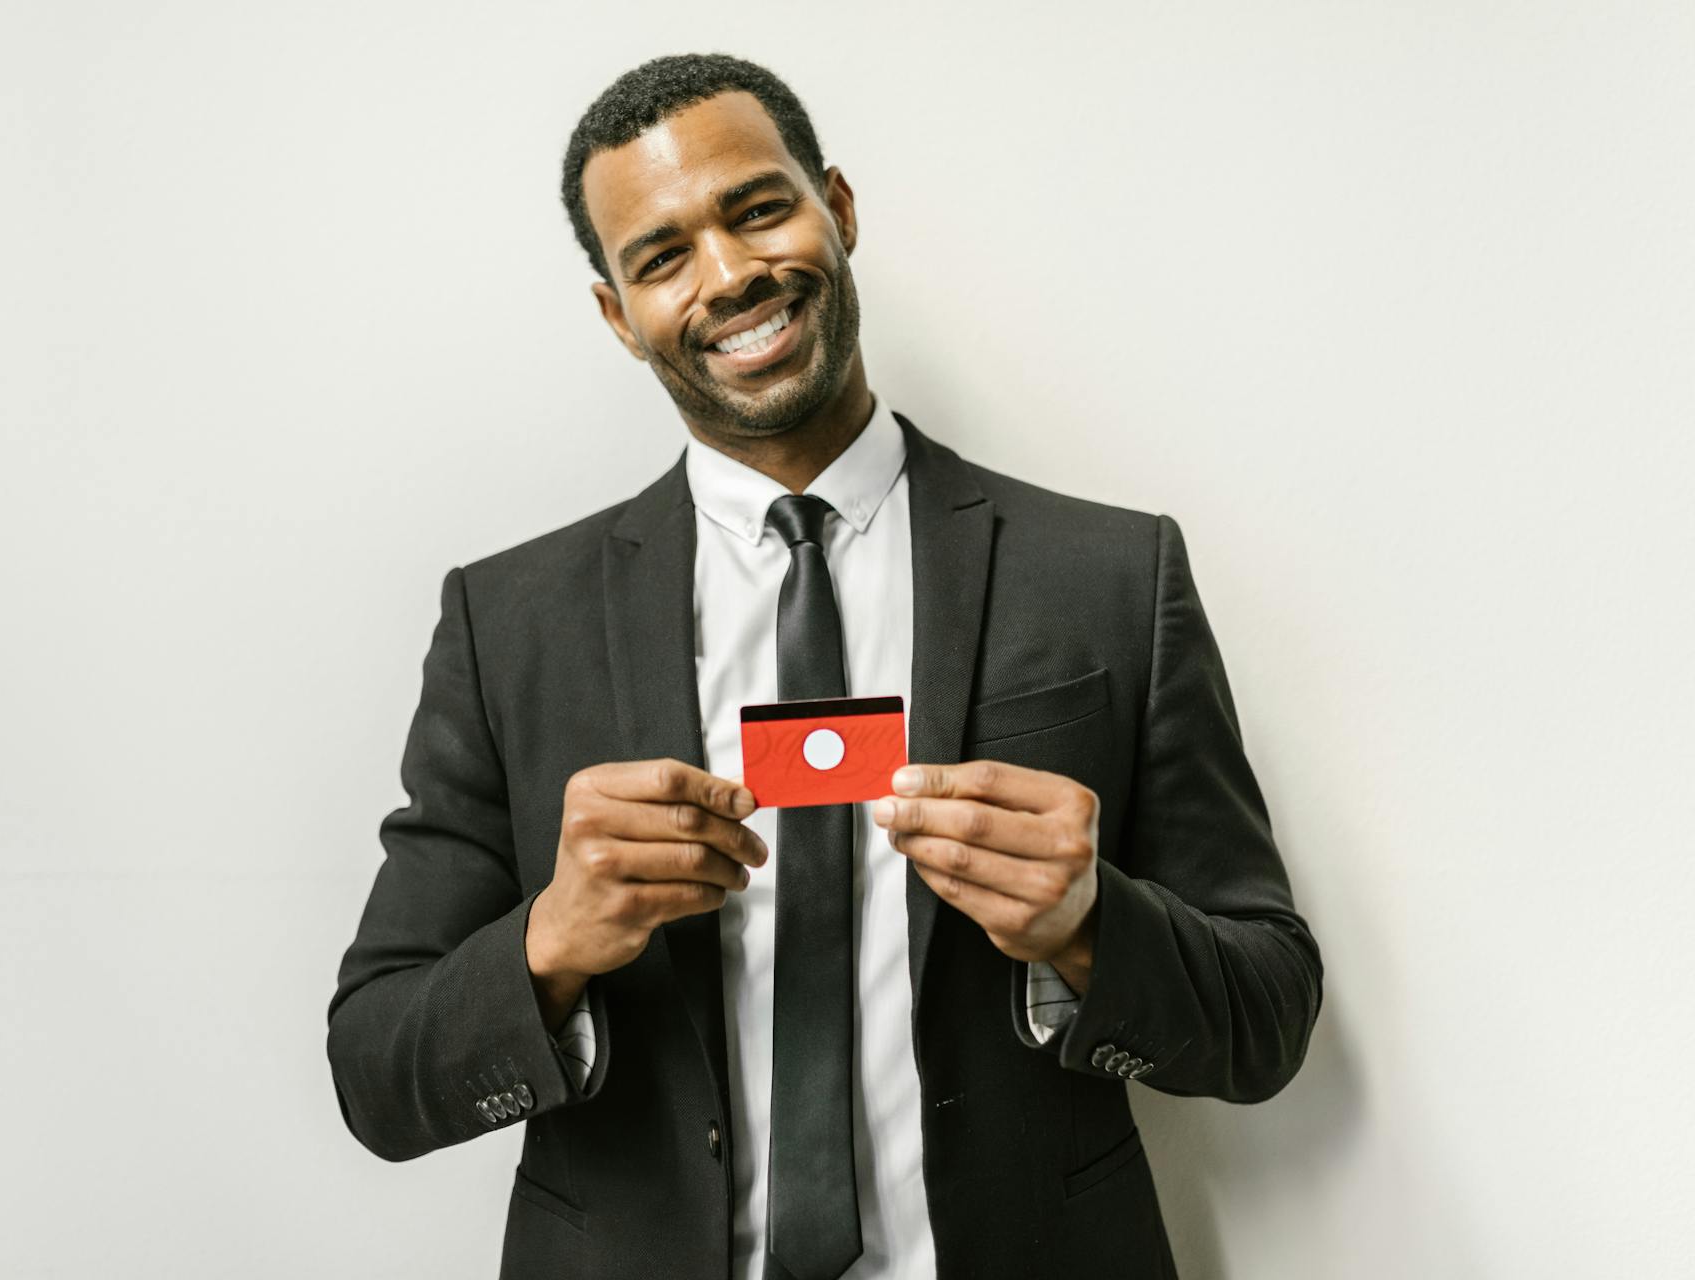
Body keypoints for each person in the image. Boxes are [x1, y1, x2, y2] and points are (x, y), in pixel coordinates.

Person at [326, 52, 1323, 1280]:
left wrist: (1090, 926)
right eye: (662, 255)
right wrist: (549, 942)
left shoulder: (1112, 575)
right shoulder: (507, 622)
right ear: (616, 316)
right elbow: (376, 1074)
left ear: (837, 209)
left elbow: (1267, 1016)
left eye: (758, 208)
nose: (731, 274)